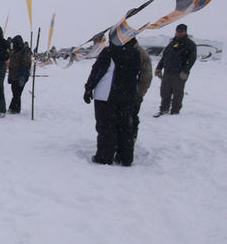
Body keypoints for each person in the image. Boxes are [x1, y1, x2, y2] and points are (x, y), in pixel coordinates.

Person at [84, 37, 141, 166]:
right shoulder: (135, 53)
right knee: (125, 126)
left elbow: (98, 71)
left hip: (107, 96)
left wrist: (89, 88)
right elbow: (139, 73)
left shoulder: (109, 52)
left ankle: (104, 156)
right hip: (128, 95)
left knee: (106, 127)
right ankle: (125, 157)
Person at [154, 23, 197, 116]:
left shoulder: (190, 45)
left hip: (179, 74)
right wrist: (159, 68)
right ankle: (163, 109)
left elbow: (191, 59)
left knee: (177, 93)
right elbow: (164, 56)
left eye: (181, 31)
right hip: (168, 72)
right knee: (165, 92)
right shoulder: (172, 43)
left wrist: (185, 71)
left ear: (185, 32)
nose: (179, 33)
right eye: (177, 31)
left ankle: (175, 111)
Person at [132, 40, 152, 140]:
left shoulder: (141, 54)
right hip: (124, 92)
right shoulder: (124, 50)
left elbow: (146, 77)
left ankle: (131, 139)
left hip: (135, 92)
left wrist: (139, 94)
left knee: (132, 117)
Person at [7, 35, 32, 114]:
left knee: (17, 93)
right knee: (14, 92)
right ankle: (13, 107)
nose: (13, 45)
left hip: (21, 76)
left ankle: (15, 108)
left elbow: (26, 63)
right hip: (13, 75)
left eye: (15, 43)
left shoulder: (24, 52)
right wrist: (10, 76)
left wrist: (22, 74)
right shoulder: (14, 51)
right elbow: (11, 63)